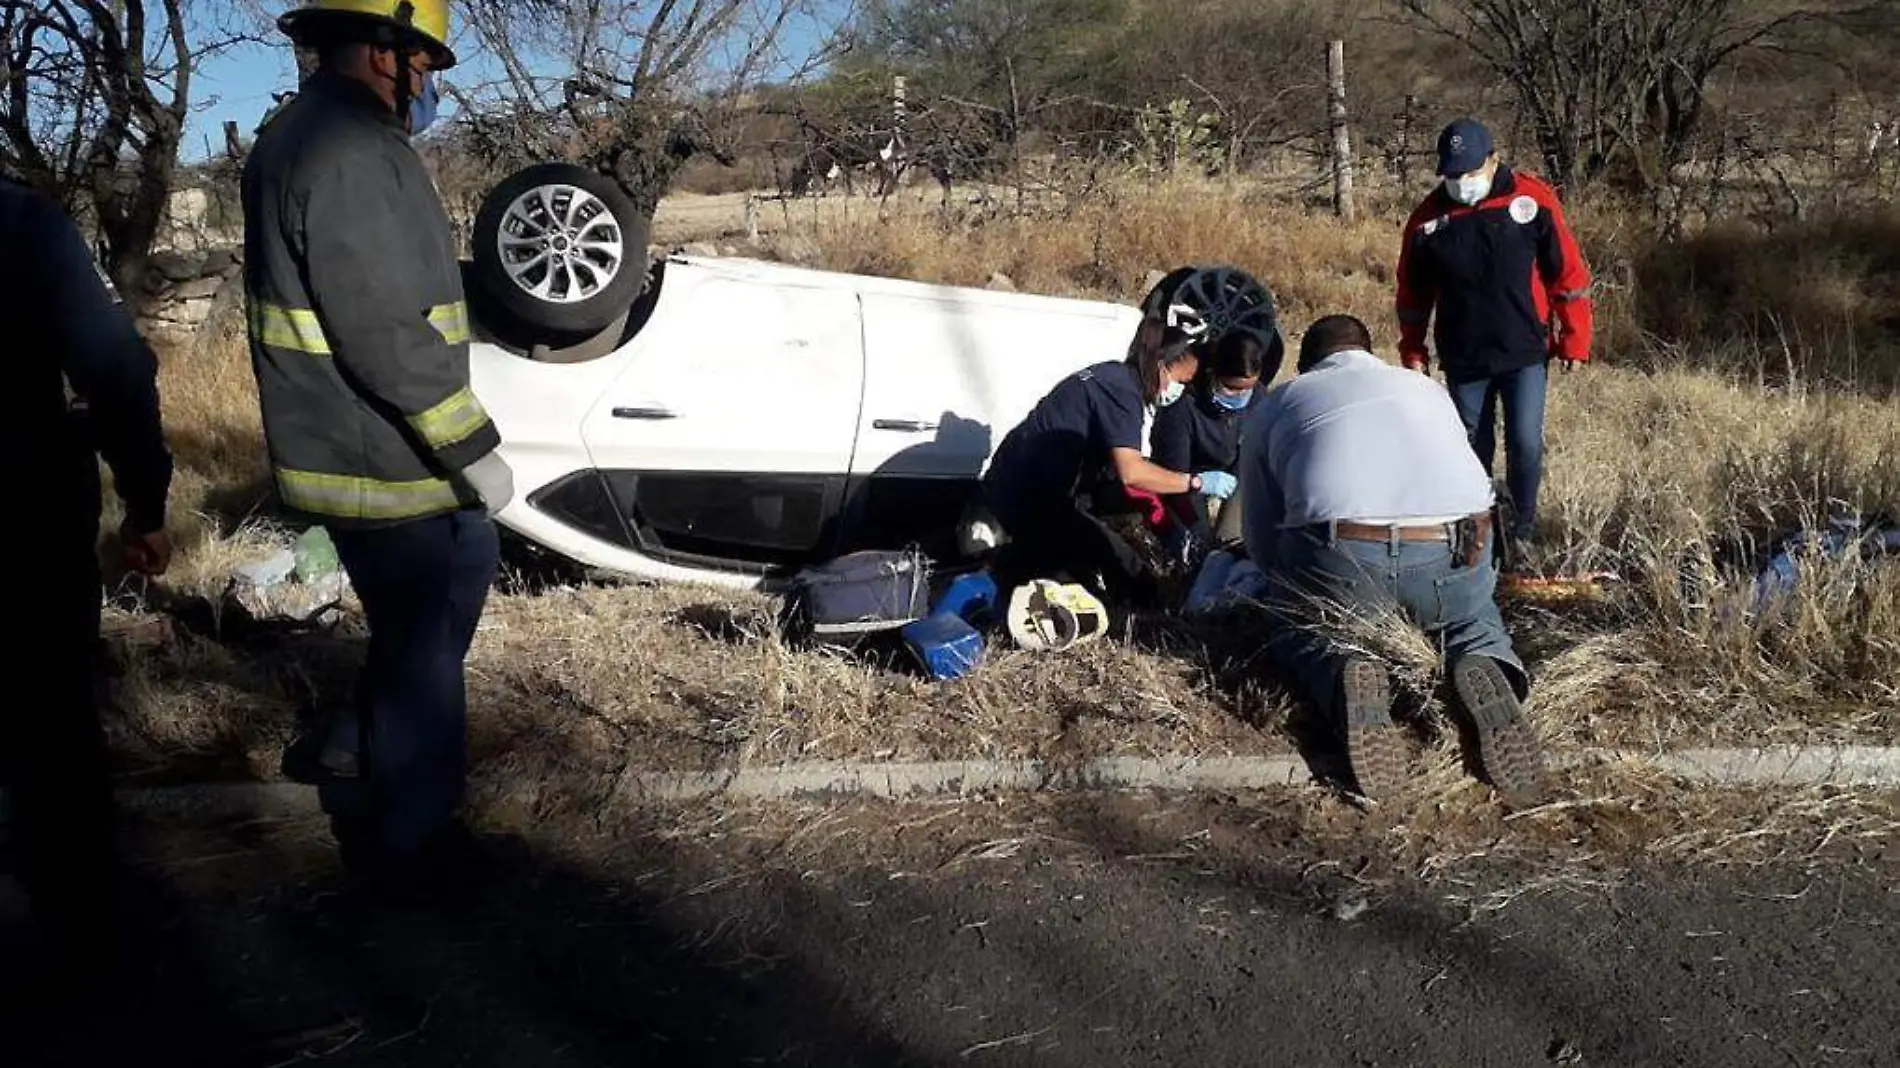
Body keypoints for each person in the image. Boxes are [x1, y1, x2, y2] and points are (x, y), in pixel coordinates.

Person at [244, 0, 515, 888]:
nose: (429, 84)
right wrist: (470, 444)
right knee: (423, 653)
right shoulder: (346, 153)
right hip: (380, 457)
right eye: (423, 64)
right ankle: (415, 847)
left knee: (460, 579)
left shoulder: (326, 136)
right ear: (378, 49)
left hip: (378, 447)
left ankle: (357, 746)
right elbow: (383, 330)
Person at [1239, 314, 1544, 807]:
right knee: (1473, 620)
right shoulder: (1423, 389)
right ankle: (1487, 661)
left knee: (1297, 628)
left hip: (1344, 557)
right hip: (1453, 547)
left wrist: (1290, 591)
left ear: (1306, 363)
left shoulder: (1283, 401)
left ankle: (1343, 670)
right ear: (1369, 351)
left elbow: (1259, 534)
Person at [0, 178, 172, 974]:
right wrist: (143, 500)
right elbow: (114, 367)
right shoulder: (17, 218)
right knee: (50, 737)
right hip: (19, 521)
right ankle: (83, 952)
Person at [981, 266, 1278, 607]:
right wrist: (1196, 483)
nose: (1178, 391)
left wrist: (1167, 525)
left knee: (1099, 565)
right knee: (1128, 578)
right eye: (1180, 381)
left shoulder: (1114, 377)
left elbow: (1122, 480)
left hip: (1037, 491)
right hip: (1029, 500)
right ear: (1163, 366)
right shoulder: (1123, 393)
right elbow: (1132, 472)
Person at [1395, 117, 1593, 550]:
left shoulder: (1532, 200)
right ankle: (1479, 529)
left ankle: (1522, 529)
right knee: (1469, 445)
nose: (1461, 182)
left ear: (1493, 160)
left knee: (1524, 443)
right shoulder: (1428, 220)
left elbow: (1567, 274)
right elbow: (1413, 293)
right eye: (1451, 175)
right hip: (1463, 354)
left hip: (1524, 347)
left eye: (1469, 173)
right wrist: (1413, 348)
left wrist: (1574, 336)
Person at [1150, 327, 1282, 547]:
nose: (1240, 396)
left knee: (1237, 540)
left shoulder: (1257, 397)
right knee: (1197, 543)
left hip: (1234, 469)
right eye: (1231, 388)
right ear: (1214, 374)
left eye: (1246, 390)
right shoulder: (1183, 407)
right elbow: (1173, 474)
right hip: (1188, 480)